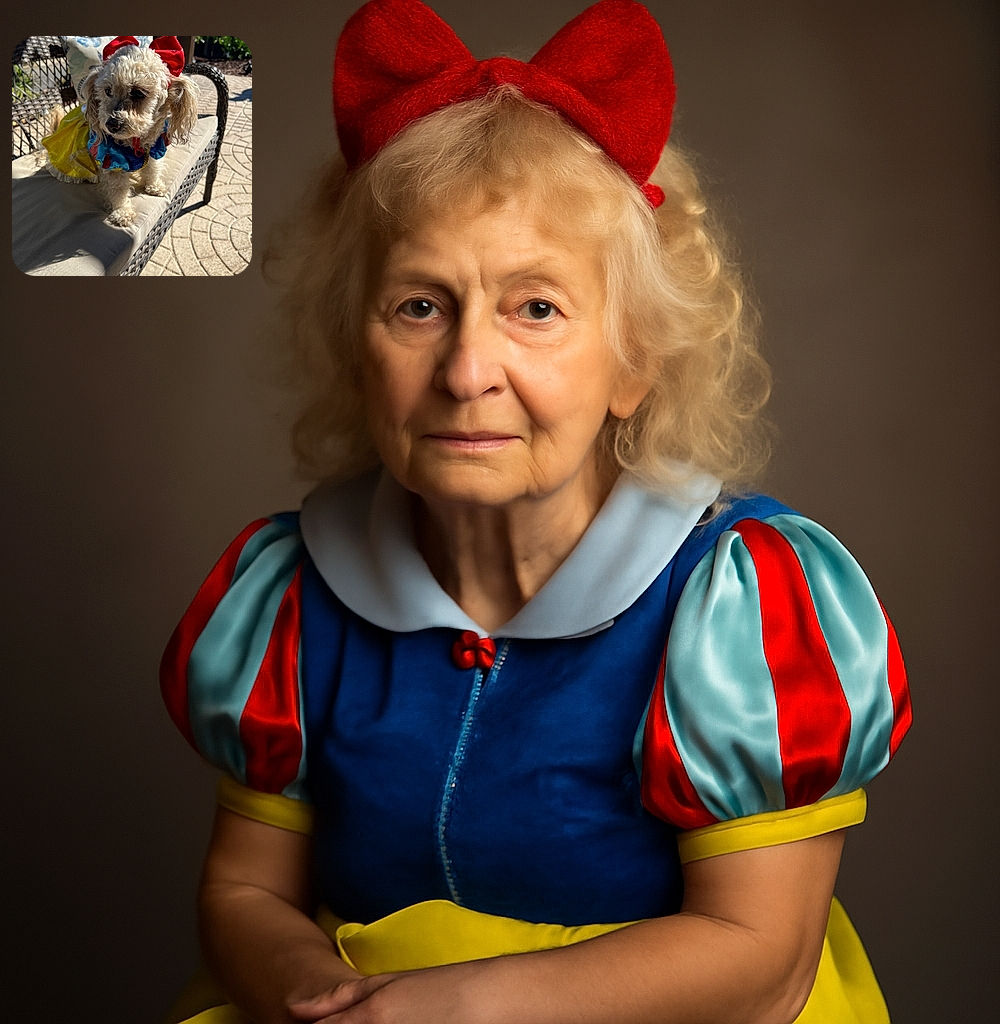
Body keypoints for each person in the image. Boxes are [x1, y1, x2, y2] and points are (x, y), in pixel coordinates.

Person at [160, 1, 911, 1022]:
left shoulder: (739, 601)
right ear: (355, 349)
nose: (468, 372)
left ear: (633, 362)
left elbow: (762, 960)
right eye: (418, 305)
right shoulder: (290, 596)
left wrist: (444, 1010)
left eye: (537, 308)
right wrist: (319, 995)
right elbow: (245, 890)